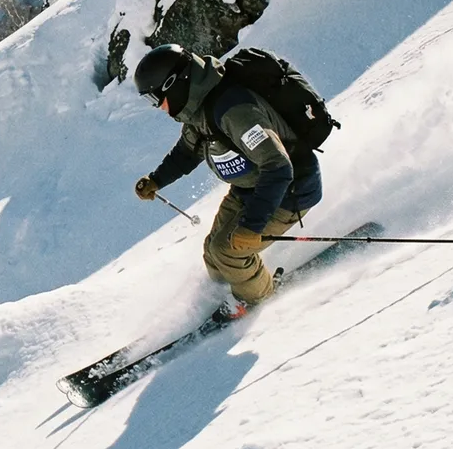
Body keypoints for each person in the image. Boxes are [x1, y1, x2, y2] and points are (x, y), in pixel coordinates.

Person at [132, 44, 323, 318]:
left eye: (154, 99)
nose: (158, 107)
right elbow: (187, 152)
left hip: (290, 190)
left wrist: (252, 226)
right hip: (249, 188)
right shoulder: (197, 110)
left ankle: (262, 301)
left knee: (228, 251)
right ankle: (233, 291)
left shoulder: (233, 110)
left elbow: (278, 166)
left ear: (174, 84)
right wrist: (156, 180)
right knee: (212, 251)